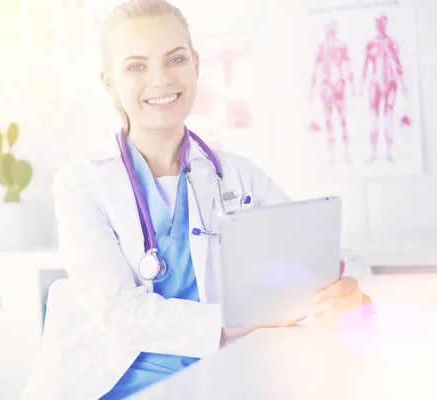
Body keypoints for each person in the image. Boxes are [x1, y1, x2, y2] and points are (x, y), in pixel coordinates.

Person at [22, 1, 374, 399]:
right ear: (109, 82)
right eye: (136, 66)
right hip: (113, 384)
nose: (160, 79)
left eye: (175, 59)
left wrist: (349, 291)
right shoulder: (81, 183)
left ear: (196, 66)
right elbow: (122, 315)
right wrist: (250, 317)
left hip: (216, 378)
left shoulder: (236, 176)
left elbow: (331, 259)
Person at [360, 14, 408, 163]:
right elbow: (365, 66)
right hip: (375, 83)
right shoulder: (371, 44)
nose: (380, 25)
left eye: (382, 22)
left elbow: (398, 64)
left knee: (388, 117)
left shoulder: (391, 42)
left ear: (385, 24)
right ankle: (373, 152)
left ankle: (388, 152)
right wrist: (361, 86)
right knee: (374, 117)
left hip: (390, 83)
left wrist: (402, 84)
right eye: (378, 22)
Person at [309, 19, 355, 165]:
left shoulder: (341, 46)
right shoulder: (321, 48)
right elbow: (315, 69)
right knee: (328, 119)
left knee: (342, 119)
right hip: (326, 85)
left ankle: (346, 154)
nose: (330, 32)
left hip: (338, 83)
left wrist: (352, 86)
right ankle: (331, 156)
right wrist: (311, 89)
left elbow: (348, 65)